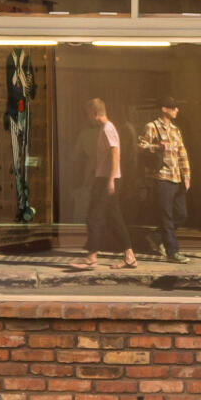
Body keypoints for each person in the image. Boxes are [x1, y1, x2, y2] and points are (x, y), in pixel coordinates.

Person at [68, 98, 135, 272]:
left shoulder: (107, 128)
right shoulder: (105, 128)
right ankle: (130, 256)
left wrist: (110, 179)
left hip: (107, 179)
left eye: (88, 114)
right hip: (105, 178)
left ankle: (91, 258)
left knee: (94, 216)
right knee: (114, 218)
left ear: (94, 113)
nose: (88, 118)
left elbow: (115, 153)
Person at [140, 99, 192, 260]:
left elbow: (182, 153)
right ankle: (172, 252)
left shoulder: (176, 129)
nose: (177, 110)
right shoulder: (152, 126)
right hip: (161, 176)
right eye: (173, 107)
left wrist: (187, 176)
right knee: (166, 215)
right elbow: (140, 146)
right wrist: (157, 147)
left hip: (177, 178)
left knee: (182, 214)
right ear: (164, 109)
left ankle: (156, 236)